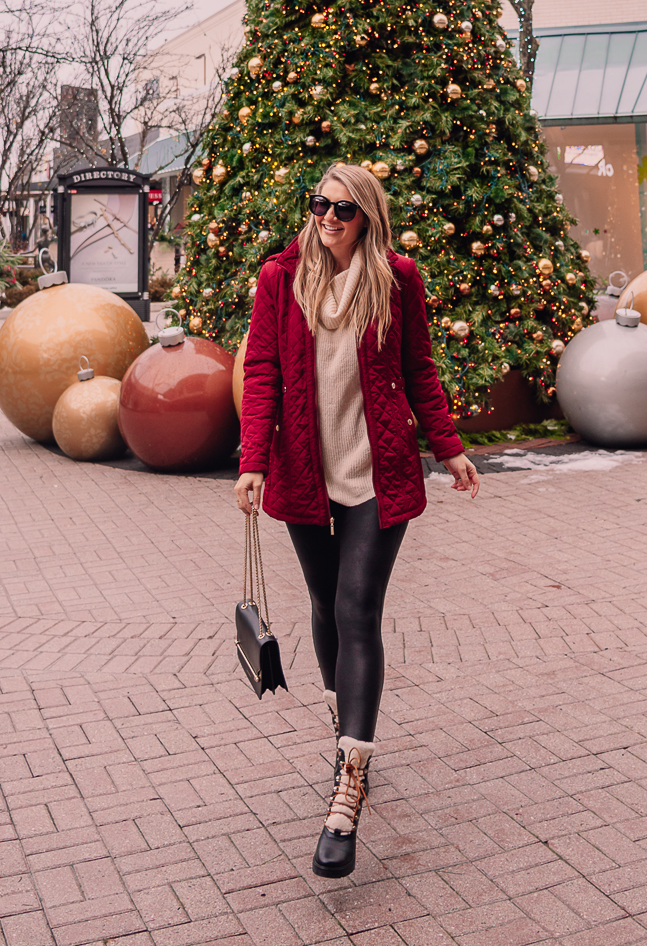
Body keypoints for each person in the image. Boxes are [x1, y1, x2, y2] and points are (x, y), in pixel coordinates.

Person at [235, 163, 479, 879]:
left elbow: (419, 369)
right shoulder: (281, 279)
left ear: (366, 216)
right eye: (320, 205)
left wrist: (450, 448)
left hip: (379, 471)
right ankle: (350, 729)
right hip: (305, 470)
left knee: (357, 609)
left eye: (343, 209)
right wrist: (252, 460)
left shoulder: (397, 280)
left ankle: (349, 783)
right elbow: (260, 375)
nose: (328, 219)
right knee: (321, 605)